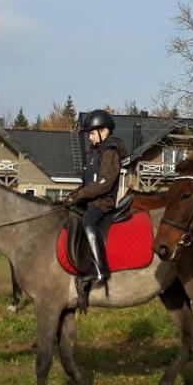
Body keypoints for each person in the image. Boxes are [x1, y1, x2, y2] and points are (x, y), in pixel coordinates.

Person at [65, 109, 126, 286]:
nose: (90, 137)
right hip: (91, 200)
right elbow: (88, 183)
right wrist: (73, 195)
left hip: (102, 203)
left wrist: (80, 195)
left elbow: (104, 183)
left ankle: (100, 269)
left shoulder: (110, 152)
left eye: (92, 133)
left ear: (104, 131)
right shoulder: (96, 154)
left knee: (88, 222)